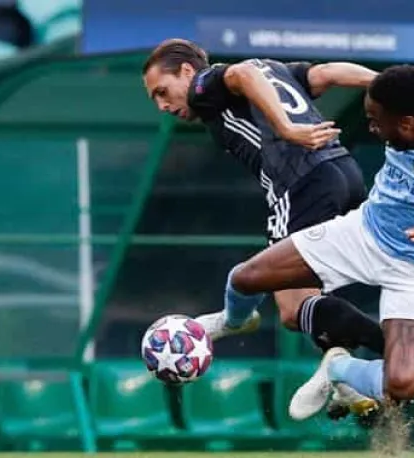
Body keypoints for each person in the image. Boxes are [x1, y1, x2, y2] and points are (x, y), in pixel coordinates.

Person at [213, 63, 414, 420]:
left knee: (401, 385)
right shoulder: (413, 100)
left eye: (376, 121)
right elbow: (370, 78)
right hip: (361, 234)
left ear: (406, 123)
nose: (372, 128)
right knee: (245, 278)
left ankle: (337, 368)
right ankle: (232, 321)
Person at [141, 39, 386, 376]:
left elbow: (242, 74)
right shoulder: (272, 67)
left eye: (162, 92)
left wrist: (287, 129)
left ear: (186, 71)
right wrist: (387, 84)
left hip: (300, 182)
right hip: (343, 172)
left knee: (290, 308)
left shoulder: (204, 85)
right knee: (309, 303)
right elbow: (327, 73)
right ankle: (347, 378)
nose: (162, 105)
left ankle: (393, 349)